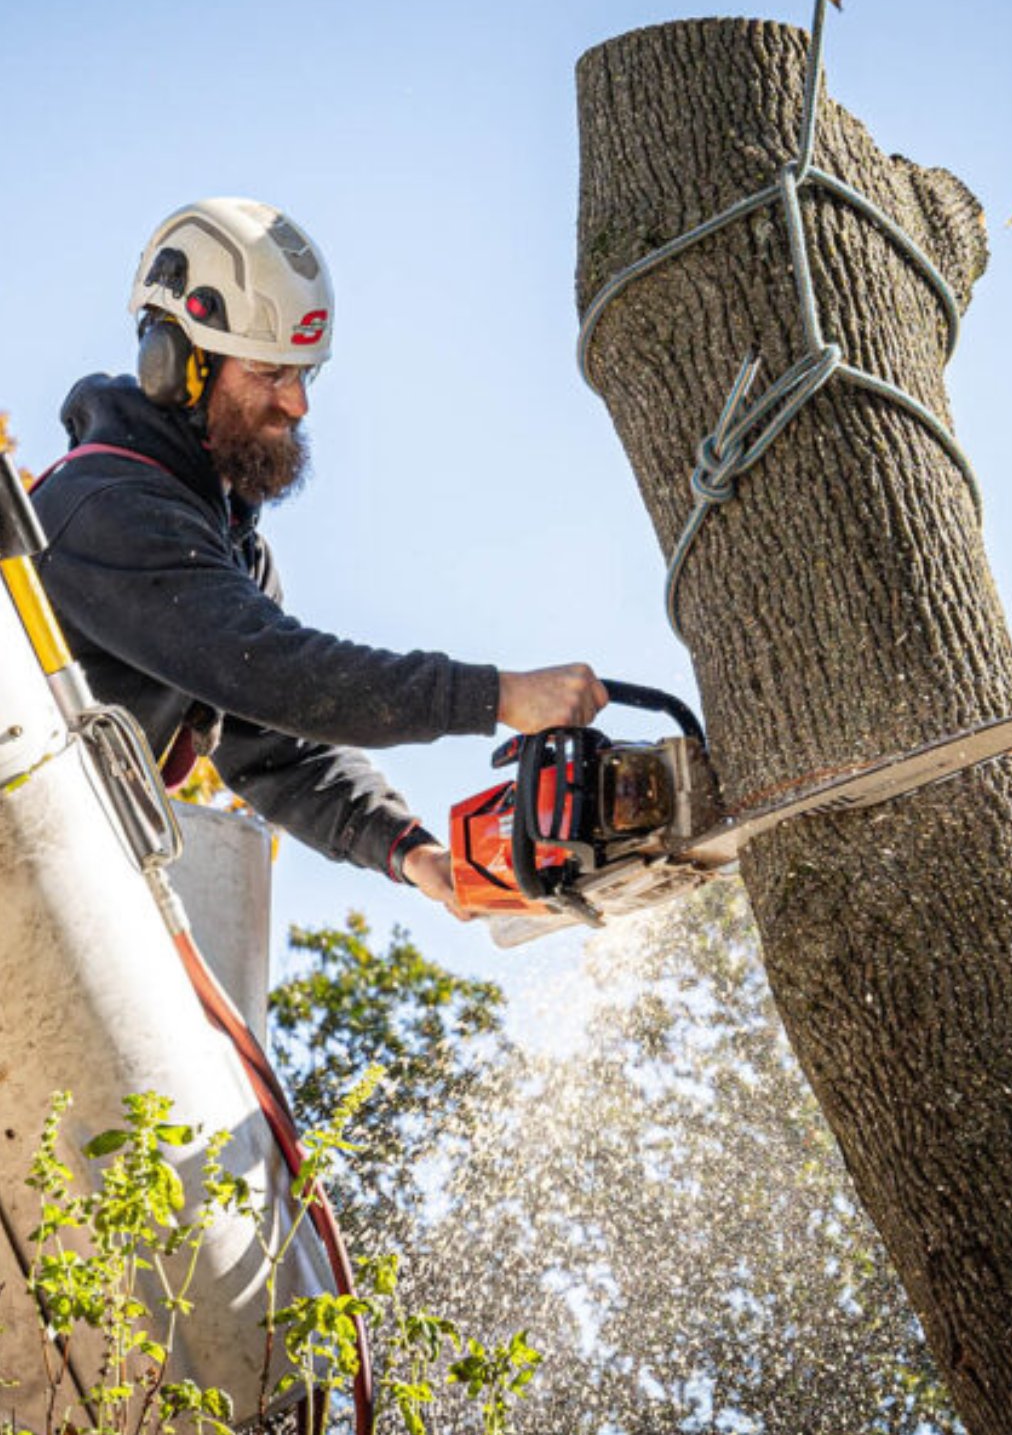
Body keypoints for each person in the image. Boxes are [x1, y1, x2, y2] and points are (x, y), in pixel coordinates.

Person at [32, 197, 608, 916]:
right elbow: (273, 673)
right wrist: (496, 696)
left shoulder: (228, 548)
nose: (298, 403)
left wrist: (414, 854)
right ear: (176, 366)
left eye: (305, 373)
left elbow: (277, 746)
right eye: (269, 373)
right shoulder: (105, 508)